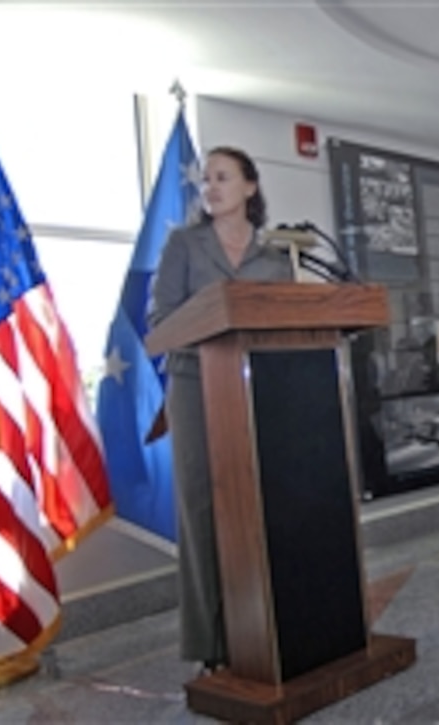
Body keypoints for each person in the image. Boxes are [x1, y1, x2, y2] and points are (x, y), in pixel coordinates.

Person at [148, 146, 293, 672]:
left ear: (250, 188)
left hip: (261, 389)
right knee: (203, 509)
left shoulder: (276, 261)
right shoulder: (184, 245)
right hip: (195, 385)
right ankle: (212, 642)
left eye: (223, 177)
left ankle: (272, 623)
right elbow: (162, 318)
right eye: (206, 179)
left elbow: (291, 326)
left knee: (261, 503)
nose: (210, 187)